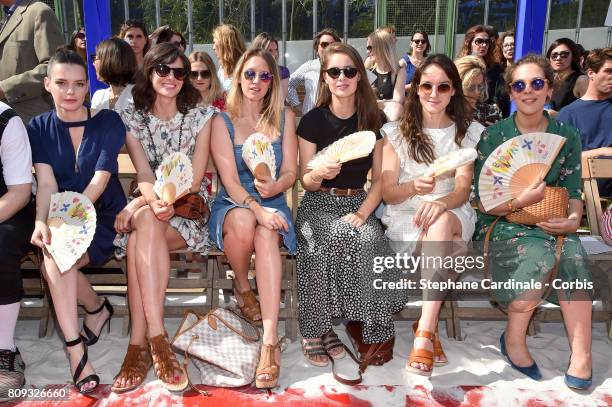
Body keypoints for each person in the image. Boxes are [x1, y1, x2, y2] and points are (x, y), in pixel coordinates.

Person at [473, 54, 593, 390]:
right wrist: (518, 201)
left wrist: (572, 221)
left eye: (537, 83)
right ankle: (513, 339)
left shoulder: (565, 134)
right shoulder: (494, 136)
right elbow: (482, 199)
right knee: (537, 257)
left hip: (552, 220)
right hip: (504, 221)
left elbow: (572, 190)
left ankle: (581, 354)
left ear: (549, 89)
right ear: (511, 92)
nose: (528, 91)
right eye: (520, 85)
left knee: (574, 256)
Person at [112, 43, 214, 393]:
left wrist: (145, 205)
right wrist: (151, 204)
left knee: (140, 236)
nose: (171, 77)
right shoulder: (133, 119)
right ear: (150, 71)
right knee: (145, 230)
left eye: (179, 72)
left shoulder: (200, 117)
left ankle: (138, 346)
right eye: (163, 70)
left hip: (186, 210)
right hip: (152, 207)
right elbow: (143, 175)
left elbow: (196, 180)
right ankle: (157, 338)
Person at [296, 42, 403, 367]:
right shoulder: (312, 121)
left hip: (359, 200)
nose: (341, 77)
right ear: (325, 78)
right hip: (317, 202)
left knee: (370, 241)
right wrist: (318, 172)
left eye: (349, 71)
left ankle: (370, 328)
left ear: (359, 76)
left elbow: (382, 180)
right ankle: (316, 329)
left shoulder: (374, 118)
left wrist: (361, 213)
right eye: (334, 71)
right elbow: (305, 180)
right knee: (317, 244)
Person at [27, 48, 126, 393]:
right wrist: (42, 222)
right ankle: (77, 348)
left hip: (103, 214)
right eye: (62, 83)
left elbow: (99, 180)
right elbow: (47, 183)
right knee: (54, 253)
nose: (70, 92)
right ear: (47, 85)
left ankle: (95, 311)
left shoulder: (108, 122)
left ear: (88, 86)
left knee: (56, 259)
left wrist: (72, 222)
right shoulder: (37, 127)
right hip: (59, 213)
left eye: (79, 84)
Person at [381, 54, 483, 377]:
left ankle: (424, 330)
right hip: (406, 217)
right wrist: (413, 187)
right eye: (427, 85)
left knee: (442, 225)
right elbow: (387, 193)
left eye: (443, 86)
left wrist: (441, 202)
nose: (434, 93)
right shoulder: (397, 134)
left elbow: (463, 190)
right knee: (457, 251)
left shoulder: (465, 133)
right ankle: (429, 327)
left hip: (452, 210)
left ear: (453, 90)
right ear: (416, 89)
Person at [209, 48, 297, 389]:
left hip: (273, 199)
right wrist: (256, 206)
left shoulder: (284, 117)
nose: (256, 82)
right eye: (249, 74)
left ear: (272, 81)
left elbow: (292, 171)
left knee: (264, 234)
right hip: (234, 202)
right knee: (247, 222)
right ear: (238, 77)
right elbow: (229, 180)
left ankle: (270, 341)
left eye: (264, 76)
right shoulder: (222, 120)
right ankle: (243, 287)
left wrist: (276, 185)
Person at [0, 101, 34, 401]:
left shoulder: (6, 121)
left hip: (11, 208)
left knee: (0, 243)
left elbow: (20, 193)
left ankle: (5, 348)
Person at [558, 48, 612, 197]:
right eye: (608, 71)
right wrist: (602, 152)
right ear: (591, 73)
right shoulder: (568, 114)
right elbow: (560, 161)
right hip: (586, 198)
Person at [0, 0, 64, 123]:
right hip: (8, 122)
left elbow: (54, 68)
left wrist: (4, 89)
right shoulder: (8, 17)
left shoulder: (39, 12)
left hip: (32, 123)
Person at [287, 28, 341, 116]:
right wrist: (297, 104)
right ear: (317, 48)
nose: (329, 47)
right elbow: (290, 84)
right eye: (324, 44)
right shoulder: (308, 67)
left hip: (337, 119)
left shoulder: (344, 68)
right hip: (311, 119)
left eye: (333, 44)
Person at [457, 25, 503, 112]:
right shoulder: (460, 66)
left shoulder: (496, 68)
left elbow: (499, 93)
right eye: (479, 41)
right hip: (463, 110)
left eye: (487, 41)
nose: (484, 45)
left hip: (487, 113)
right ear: (468, 42)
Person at [366, 29, 406, 119]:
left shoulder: (399, 71)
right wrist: (386, 102)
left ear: (382, 47)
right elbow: (364, 102)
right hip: (372, 118)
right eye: (367, 48)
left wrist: (378, 103)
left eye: (370, 47)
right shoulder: (369, 72)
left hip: (390, 120)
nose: (367, 52)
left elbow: (397, 104)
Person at [91, 38, 137, 112]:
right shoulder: (99, 96)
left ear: (109, 61)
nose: (93, 63)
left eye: (95, 58)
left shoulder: (139, 96)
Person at [455, 55, 502, 126]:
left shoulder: (492, 114)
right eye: (470, 87)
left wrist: (498, 135)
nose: (477, 92)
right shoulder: (444, 112)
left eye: (480, 86)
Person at [546, 38, 588, 116]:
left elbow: (591, 114)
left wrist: (558, 115)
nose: (558, 58)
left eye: (564, 55)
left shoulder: (581, 80)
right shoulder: (550, 79)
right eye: (554, 55)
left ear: (573, 57)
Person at [251, 32, 290, 99]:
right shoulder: (250, 72)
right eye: (270, 50)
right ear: (259, 51)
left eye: (276, 50)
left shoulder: (282, 71)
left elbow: (281, 98)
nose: (274, 54)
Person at [212, 24, 246, 93]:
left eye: (215, 42)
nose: (213, 47)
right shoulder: (222, 68)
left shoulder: (244, 70)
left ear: (225, 45)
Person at [493, 30, 514, 117]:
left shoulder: (525, 71)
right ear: (502, 49)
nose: (509, 48)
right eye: (506, 45)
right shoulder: (497, 71)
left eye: (513, 44)